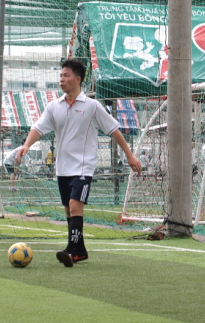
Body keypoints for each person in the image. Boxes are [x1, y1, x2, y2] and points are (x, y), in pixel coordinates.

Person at [17, 59, 141, 268]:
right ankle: (80, 251)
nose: (61, 79)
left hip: (83, 167)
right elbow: (38, 128)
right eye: (60, 76)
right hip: (62, 167)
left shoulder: (92, 106)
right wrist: (26, 145)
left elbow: (114, 130)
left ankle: (72, 252)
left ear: (78, 79)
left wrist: (129, 155)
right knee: (68, 209)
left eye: (66, 76)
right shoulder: (54, 106)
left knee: (76, 206)